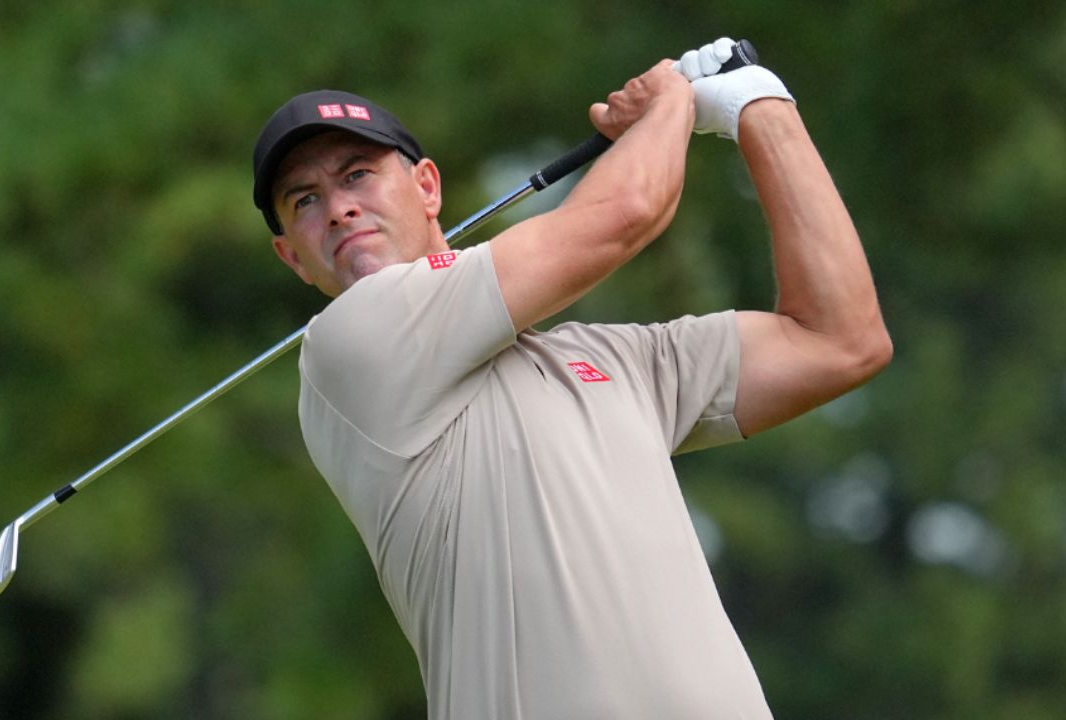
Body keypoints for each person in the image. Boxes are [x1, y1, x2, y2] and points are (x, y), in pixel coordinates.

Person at [249, 38, 891, 719]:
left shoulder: (611, 360)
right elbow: (626, 212)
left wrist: (760, 106)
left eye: (356, 175)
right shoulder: (347, 344)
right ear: (293, 257)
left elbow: (839, 341)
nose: (339, 209)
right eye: (305, 200)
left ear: (427, 187)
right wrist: (669, 102)